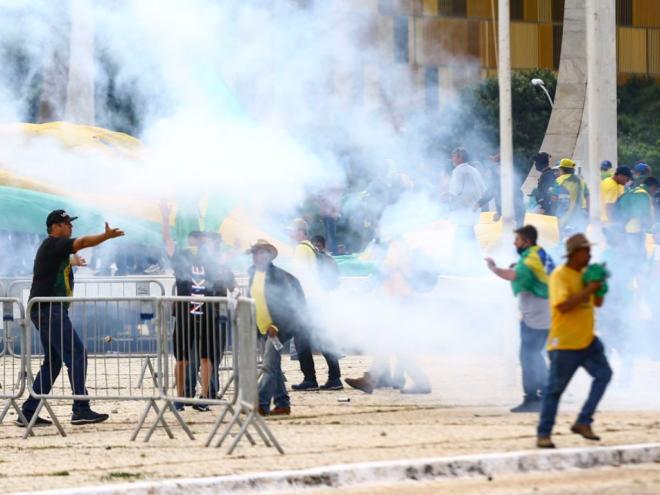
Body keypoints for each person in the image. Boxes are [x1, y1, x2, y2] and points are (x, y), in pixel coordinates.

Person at [17, 210, 124, 427]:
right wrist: (106, 236)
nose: (70, 227)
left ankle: (28, 412)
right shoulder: (54, 244)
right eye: (66, 223)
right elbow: (83, 242)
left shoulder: (54, 250)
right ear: (55, 227)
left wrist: (72, 262)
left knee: (54, 361)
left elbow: (58, 264)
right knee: (77, 355)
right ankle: (80, 409)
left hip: (45, 310)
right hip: (49, 310)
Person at [536, 233, 612, 449]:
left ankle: (584, 421)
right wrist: (589, 289)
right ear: (574, 253)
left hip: (588, 340)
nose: (589, 255)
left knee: (604, 375)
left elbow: (597, 303)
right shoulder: (560, 275)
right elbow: (562, 306)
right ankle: (544, 434)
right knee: (554, 391)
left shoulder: (586, 274)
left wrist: (600, 287)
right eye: (586, 251)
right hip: (565, 343)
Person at [160, 204, 236, 411]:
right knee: (184, 358)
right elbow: (167, 242)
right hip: (189, 315)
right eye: (196, 239)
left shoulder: (210, 260)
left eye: (199, 240)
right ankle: (183, 397)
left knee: (205, 357)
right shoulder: (184, 257)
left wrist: (233, 249)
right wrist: (165, 219)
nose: (197, 243)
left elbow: (226, 275)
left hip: (207, 315)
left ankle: (202, 397)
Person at [485, 225, 555, 413]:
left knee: (528, 356)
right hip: (544, 311)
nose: (515, 243)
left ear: (527, 241)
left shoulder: (531, 257)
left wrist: (493, 268)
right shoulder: (538, 253)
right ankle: (548, 392)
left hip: (536, 313)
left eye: (517, 240)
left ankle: (532, 399)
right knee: (535, 353)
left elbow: (513, 275)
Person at [247, 239, 310, 416]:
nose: (256, 256)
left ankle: (261, 403)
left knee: (268, 366)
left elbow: (287, 306)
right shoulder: (252, 273)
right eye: (254, 252)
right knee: (273, 366)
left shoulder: (279, 277)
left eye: (260, 252)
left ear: (268, 255)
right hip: (261, 328)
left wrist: (275, 325)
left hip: (278, 328)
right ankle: (283, 404)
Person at [288, 218, 343, 391]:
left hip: (306, 300)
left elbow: (299, 278)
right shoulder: (311, 248)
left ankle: (310, 379)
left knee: (302, 341)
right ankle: (335, 377)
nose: (290, 233)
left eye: (292, 230)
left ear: (300, 232)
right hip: (317, 299)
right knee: (323, 338)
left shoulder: (300, 249)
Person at [444, 147, 486, 272]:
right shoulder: (474, 170)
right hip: (472, 210)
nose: (452, 159)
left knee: (462, 237)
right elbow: (483, 189)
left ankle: (457, 265)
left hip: (463, 211)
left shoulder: (458, 171)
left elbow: (455, 191)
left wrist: (445, 194)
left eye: (454, 156)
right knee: (467, 236)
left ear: (460, 158)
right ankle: (475, 264)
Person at [614, 176, 659, 260]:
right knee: (637, 256)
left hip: (626, 228)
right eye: (655, 190)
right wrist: (653, 228)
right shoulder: (641, 194)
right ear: (653, 187)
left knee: (634, 255)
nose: (654, 192)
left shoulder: (634, 191)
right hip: (633, 230)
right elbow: (642, 215)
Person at [552, 158, 589, 239]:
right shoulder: (581, 181)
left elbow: (554, 198)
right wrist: (588, 212)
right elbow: (588, 197)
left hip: (564, 216)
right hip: (580, 216)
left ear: (561, 169)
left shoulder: (558, 180)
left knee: (563, 240)